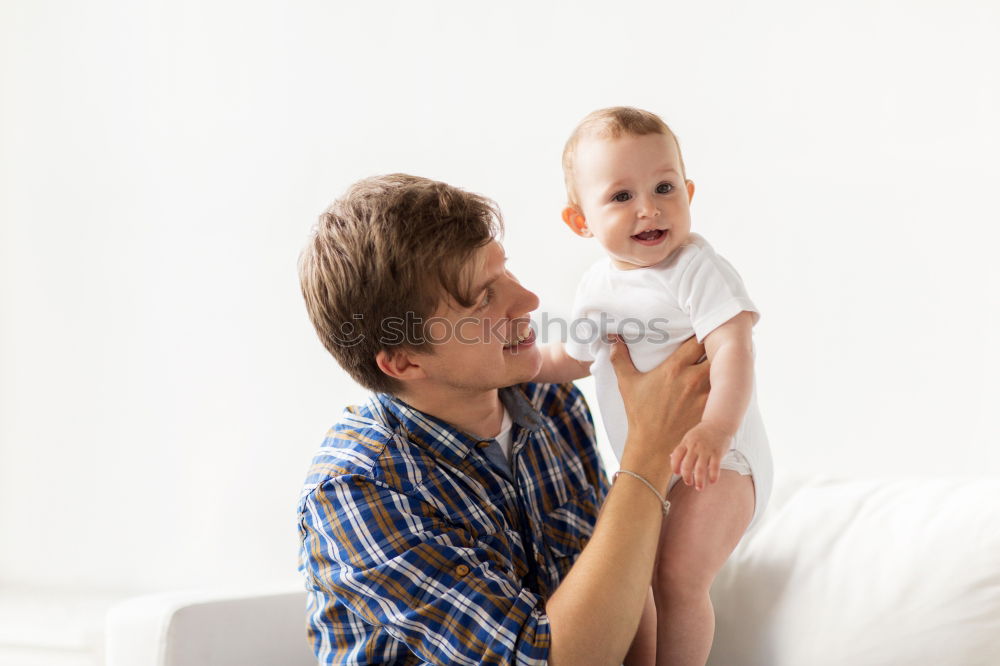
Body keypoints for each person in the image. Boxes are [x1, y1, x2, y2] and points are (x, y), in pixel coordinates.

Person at [296, 173, 711, 665]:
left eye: (505, 272)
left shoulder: (553, 406)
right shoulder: (356, 491)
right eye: (483, 298)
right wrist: (646, 454)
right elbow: (546, 660)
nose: (528, 301)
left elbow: (621, 590)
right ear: (405, 361)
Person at [534, 107, 774, 665]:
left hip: (721, 462)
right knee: (633, 587)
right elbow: (568, 357)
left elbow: (733, 349)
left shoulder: (697, 268)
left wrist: (715, 429)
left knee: (677, 578)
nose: (649, 208)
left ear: (688, 191)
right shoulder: (597, 286)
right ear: (580, 221)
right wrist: (517, 363)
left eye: (664, 187)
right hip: (653, 472)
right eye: (621, 197)